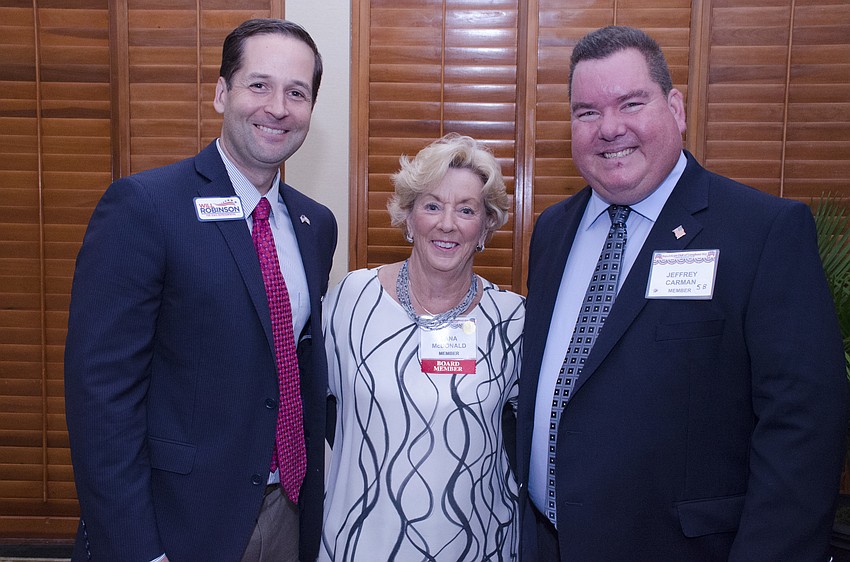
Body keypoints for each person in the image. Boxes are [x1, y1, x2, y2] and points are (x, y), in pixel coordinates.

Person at [516, 25, 849, 561]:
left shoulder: (761, 231)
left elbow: (803, 429)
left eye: (631, 103)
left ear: (675, 108)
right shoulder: (553, 230)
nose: (610, 128)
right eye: (587, 112)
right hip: (546, 544)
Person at [64, 18, 337, 562]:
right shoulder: (146, 207)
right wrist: (138, 550)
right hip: (177, 523)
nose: (277, 107)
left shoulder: (316, 224)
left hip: (287, 512)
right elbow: (101, 398)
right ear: (221, 92)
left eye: (296, 92)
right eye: (259, 85)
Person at [320, 133, 524, 561]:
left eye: (466, 209)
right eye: (431, 205)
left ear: (486, 225)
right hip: (361, 541)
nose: (446, 223)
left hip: (476, 543)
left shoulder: (514, 321)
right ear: (408, 218)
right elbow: (304, 406)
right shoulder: (351, 301)